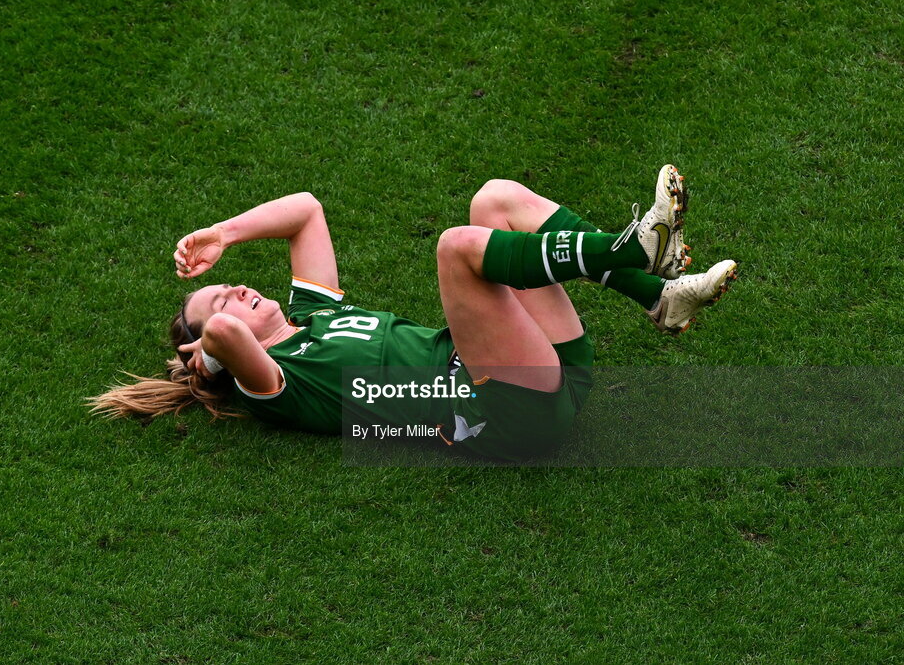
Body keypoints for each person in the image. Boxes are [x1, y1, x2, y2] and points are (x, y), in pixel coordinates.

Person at [90, 167, 737, 461]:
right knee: (456, 249)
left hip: (539, 373)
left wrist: (224, 234)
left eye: (227, 287)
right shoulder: (276, 380)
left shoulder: (308, 317)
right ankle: (625, 250)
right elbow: (230, 336)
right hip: (506, 420)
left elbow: (307, 209)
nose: (233, 294)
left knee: (495, 199)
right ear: (214, 351)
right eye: (218, 304)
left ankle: (659, 296)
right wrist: (206, 353)